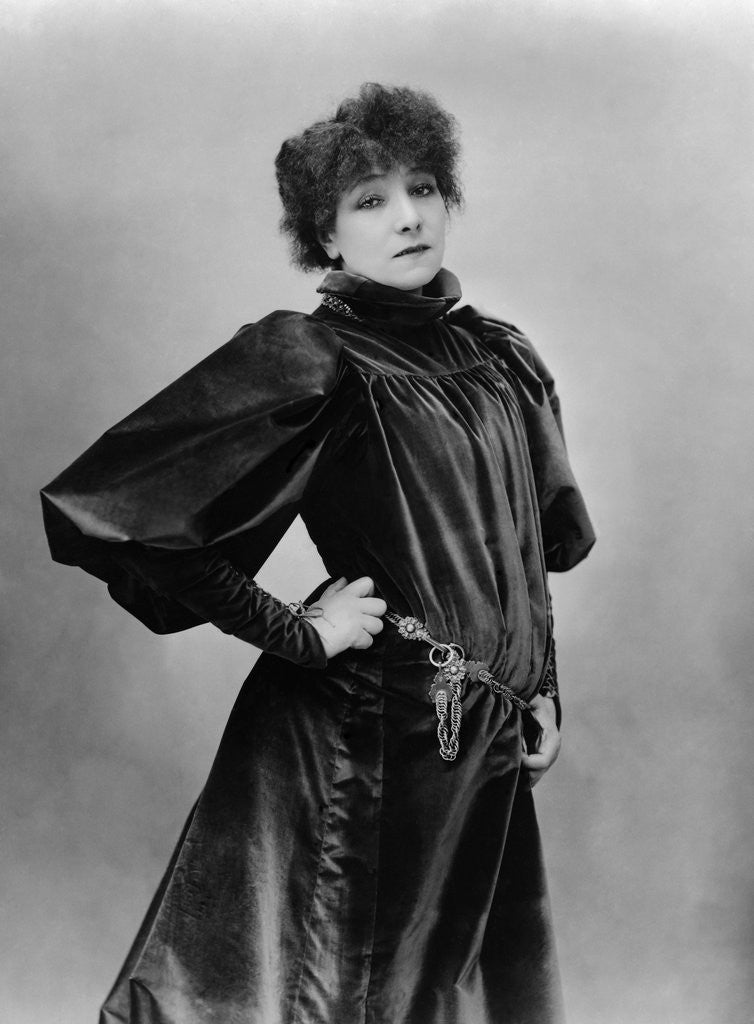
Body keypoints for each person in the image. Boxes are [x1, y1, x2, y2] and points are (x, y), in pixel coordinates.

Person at [41, 82, 595, 1024]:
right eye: (370, 201)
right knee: (339, 991)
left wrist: (540, 690)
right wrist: (300, 632)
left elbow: (528, 546)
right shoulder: (316, 355)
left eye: (423, 189)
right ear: (326, 238)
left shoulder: (501, 357)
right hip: (364, 742)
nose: (408, 217)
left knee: (450, 991)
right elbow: (122, 513)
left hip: (474, 739)